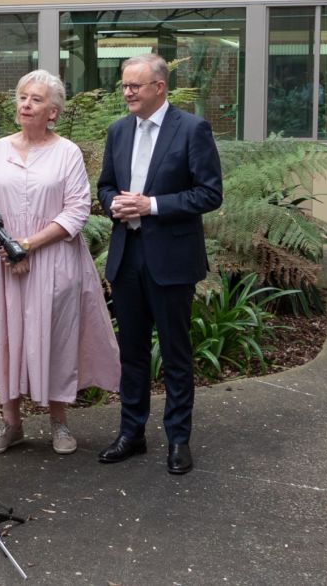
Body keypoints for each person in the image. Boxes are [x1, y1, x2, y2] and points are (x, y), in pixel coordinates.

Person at [0, 70, 120, 456]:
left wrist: (27, 245)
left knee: (55, 338)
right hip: (2, 261)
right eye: (22, 97)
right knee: (4, 338)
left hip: (54, 262)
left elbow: (76, 211)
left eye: (36, 99)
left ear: (53, 111)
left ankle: (59, 423)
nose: (25, 104)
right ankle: (11, 425)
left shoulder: (67, 152)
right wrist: (9, 248)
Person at [96, 54, 222, 475]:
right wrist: (114, 202)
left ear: (160, 88)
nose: (127, 92)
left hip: (172, 260)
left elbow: (209, 194)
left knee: (175, 354)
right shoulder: (117, 131)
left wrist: (150, 205)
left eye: (135, 85)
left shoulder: (191, 129)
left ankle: (178, 440)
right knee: (131, 354)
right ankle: (131, 434)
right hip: (127, 257)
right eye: (124, 86)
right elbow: (106, 186)